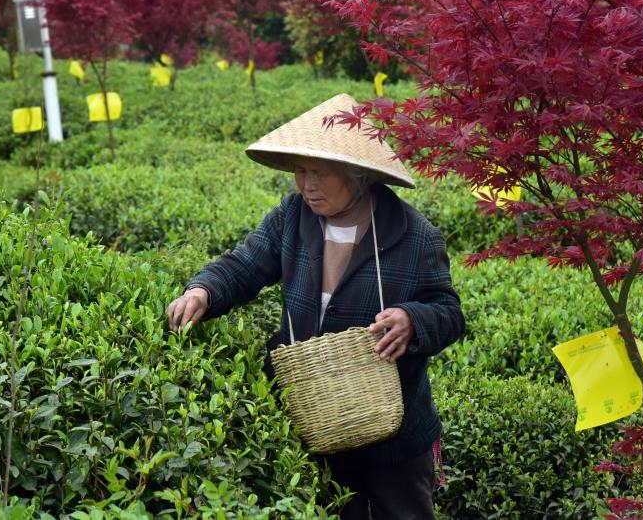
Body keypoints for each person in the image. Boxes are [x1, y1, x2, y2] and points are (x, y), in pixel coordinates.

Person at [166, 93, 465, 520]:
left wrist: (413, 321)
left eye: (320, 172)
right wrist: (203, 292)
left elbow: (449, 312)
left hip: (393, 433)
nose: (307, 184)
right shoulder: (292, 217)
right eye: (301, 171)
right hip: (313, 416)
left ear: (358, 174)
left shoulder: (413, 234)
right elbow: (245, 265)